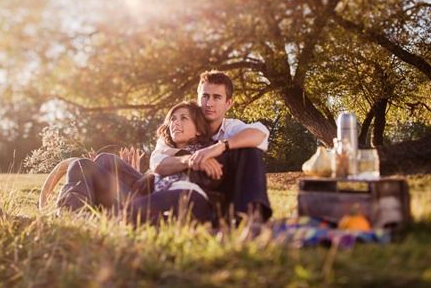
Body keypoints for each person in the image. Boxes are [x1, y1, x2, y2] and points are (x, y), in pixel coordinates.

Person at [55, 101, 217, 224]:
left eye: (184, 118)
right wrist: (150, 175)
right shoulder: (162, 150)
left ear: (198, 128)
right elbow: (158, 167)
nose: (176, 123)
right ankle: (71, 212)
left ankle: (78, 217)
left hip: (174, 200)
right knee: (86, 164)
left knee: (92, 168)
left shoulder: (207, 150)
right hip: (150, 196)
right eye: (173, 119)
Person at [150, 70, 272, 223]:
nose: (209, 104)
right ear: (198, 98)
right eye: (205, 96)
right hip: (194, 190)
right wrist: (193, 159)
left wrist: (220, 146)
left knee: (250, 150)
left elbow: (260, 133)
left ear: (228, 104)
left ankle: (251, 215)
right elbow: (157, 161)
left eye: (217, 97)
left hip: (225, 188)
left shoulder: (230, 128)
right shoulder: (178, 128)